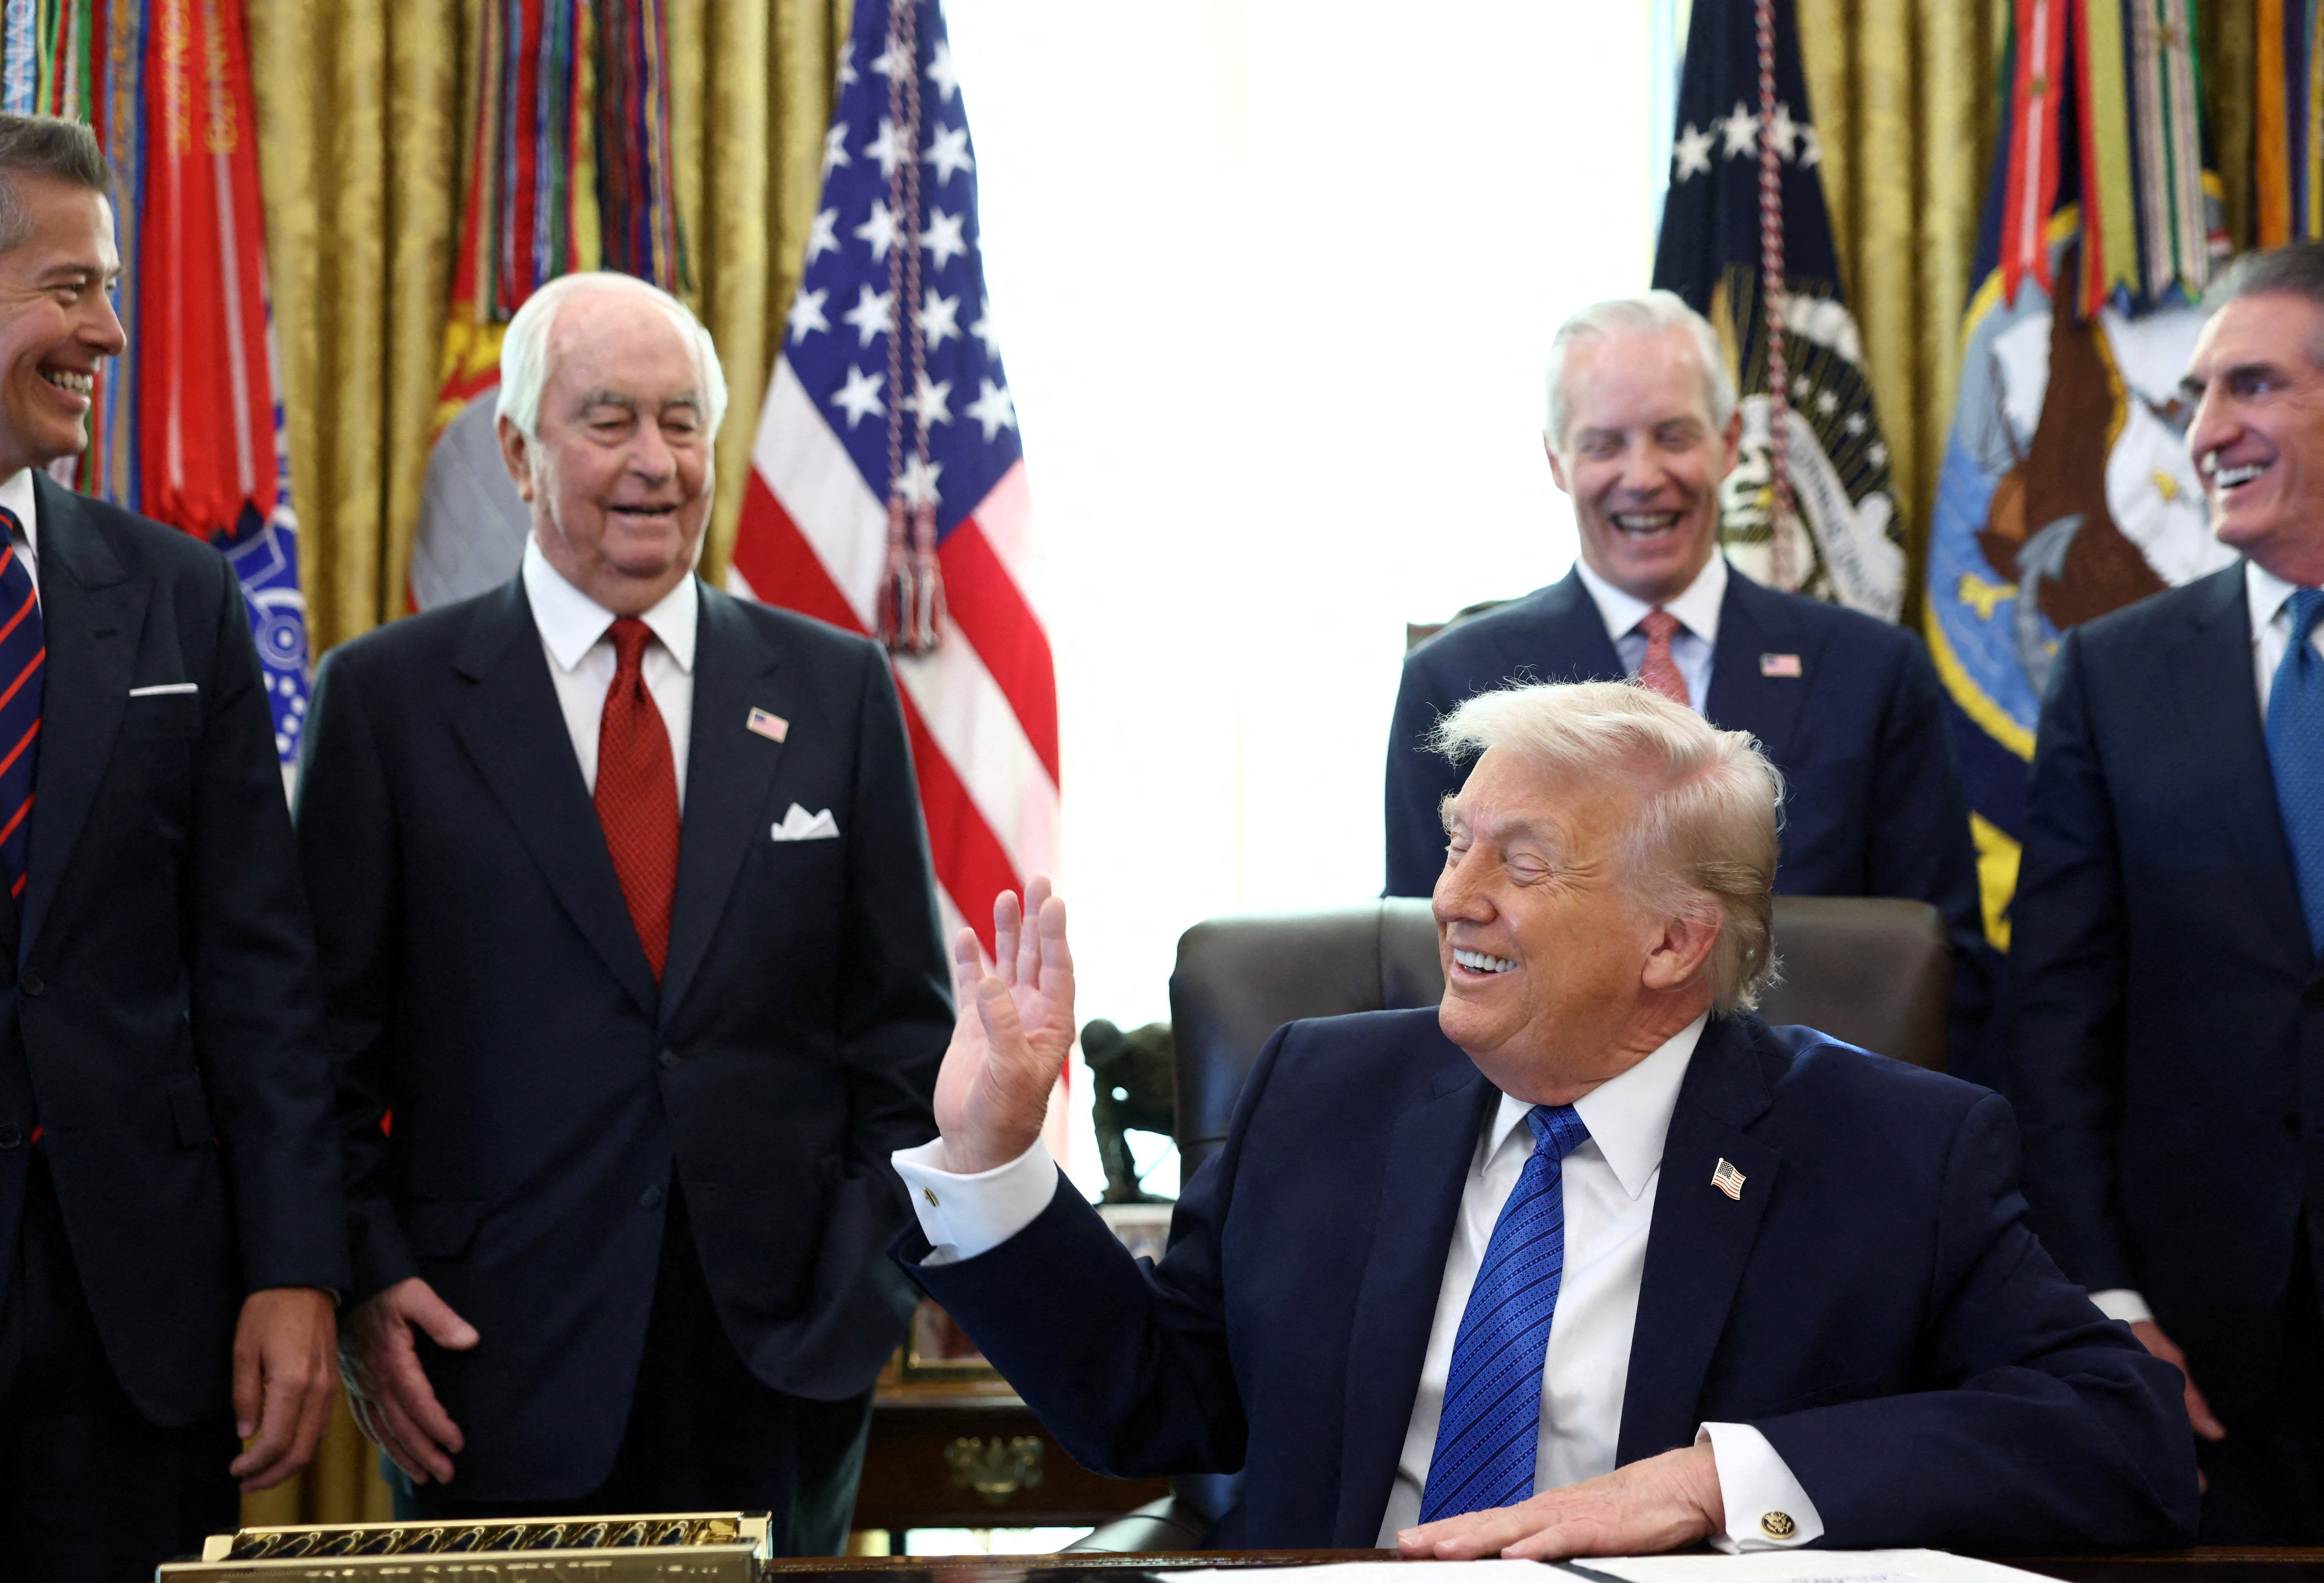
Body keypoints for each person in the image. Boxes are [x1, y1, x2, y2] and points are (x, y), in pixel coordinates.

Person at [897, 680, 2195, 1556]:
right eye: (1460, 844)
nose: (1455, 898)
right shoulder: (1319, 1094)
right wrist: (994, 1154)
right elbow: (1156, 1407)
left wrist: (1716, 1485)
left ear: (1675, 940)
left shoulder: (1890, 1151)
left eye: (1518, 863)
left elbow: (2123, 1439)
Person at [294, 271, 952, 1553]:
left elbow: (903, 1040)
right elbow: (314, 1055)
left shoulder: (835, 692)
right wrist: (368, 1286)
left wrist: (859, 1299)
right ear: (519, 451)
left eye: (683, 422)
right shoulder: (387, 703)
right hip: (483, 1368)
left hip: (778, 1370)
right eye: (608, 420)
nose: (656, 463)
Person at [0, 105, 348, 1580]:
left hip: (144, 1340)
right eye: (69, 289)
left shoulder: (179, 595)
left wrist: (298, 1266)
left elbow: (259, 965)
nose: (109, 333)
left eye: (110, 289)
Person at [1383, 292, 1990, 1076]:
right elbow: (1417, 963)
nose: (1643, 476)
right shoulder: (1455, 682)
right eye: (1603, 444)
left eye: (1674, 436)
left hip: (1815, 1132)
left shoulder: (1873, 672)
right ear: (1556, 460)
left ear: (1732, 441)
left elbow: (1945, 966)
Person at [2009, 241, 2324, 1543]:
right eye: (2195, 398)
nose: (2206, 432)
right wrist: (2108, 1300)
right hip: (2211, 1358)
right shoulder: (2111, 676)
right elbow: (2056, 1016)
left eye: (2250, 387)